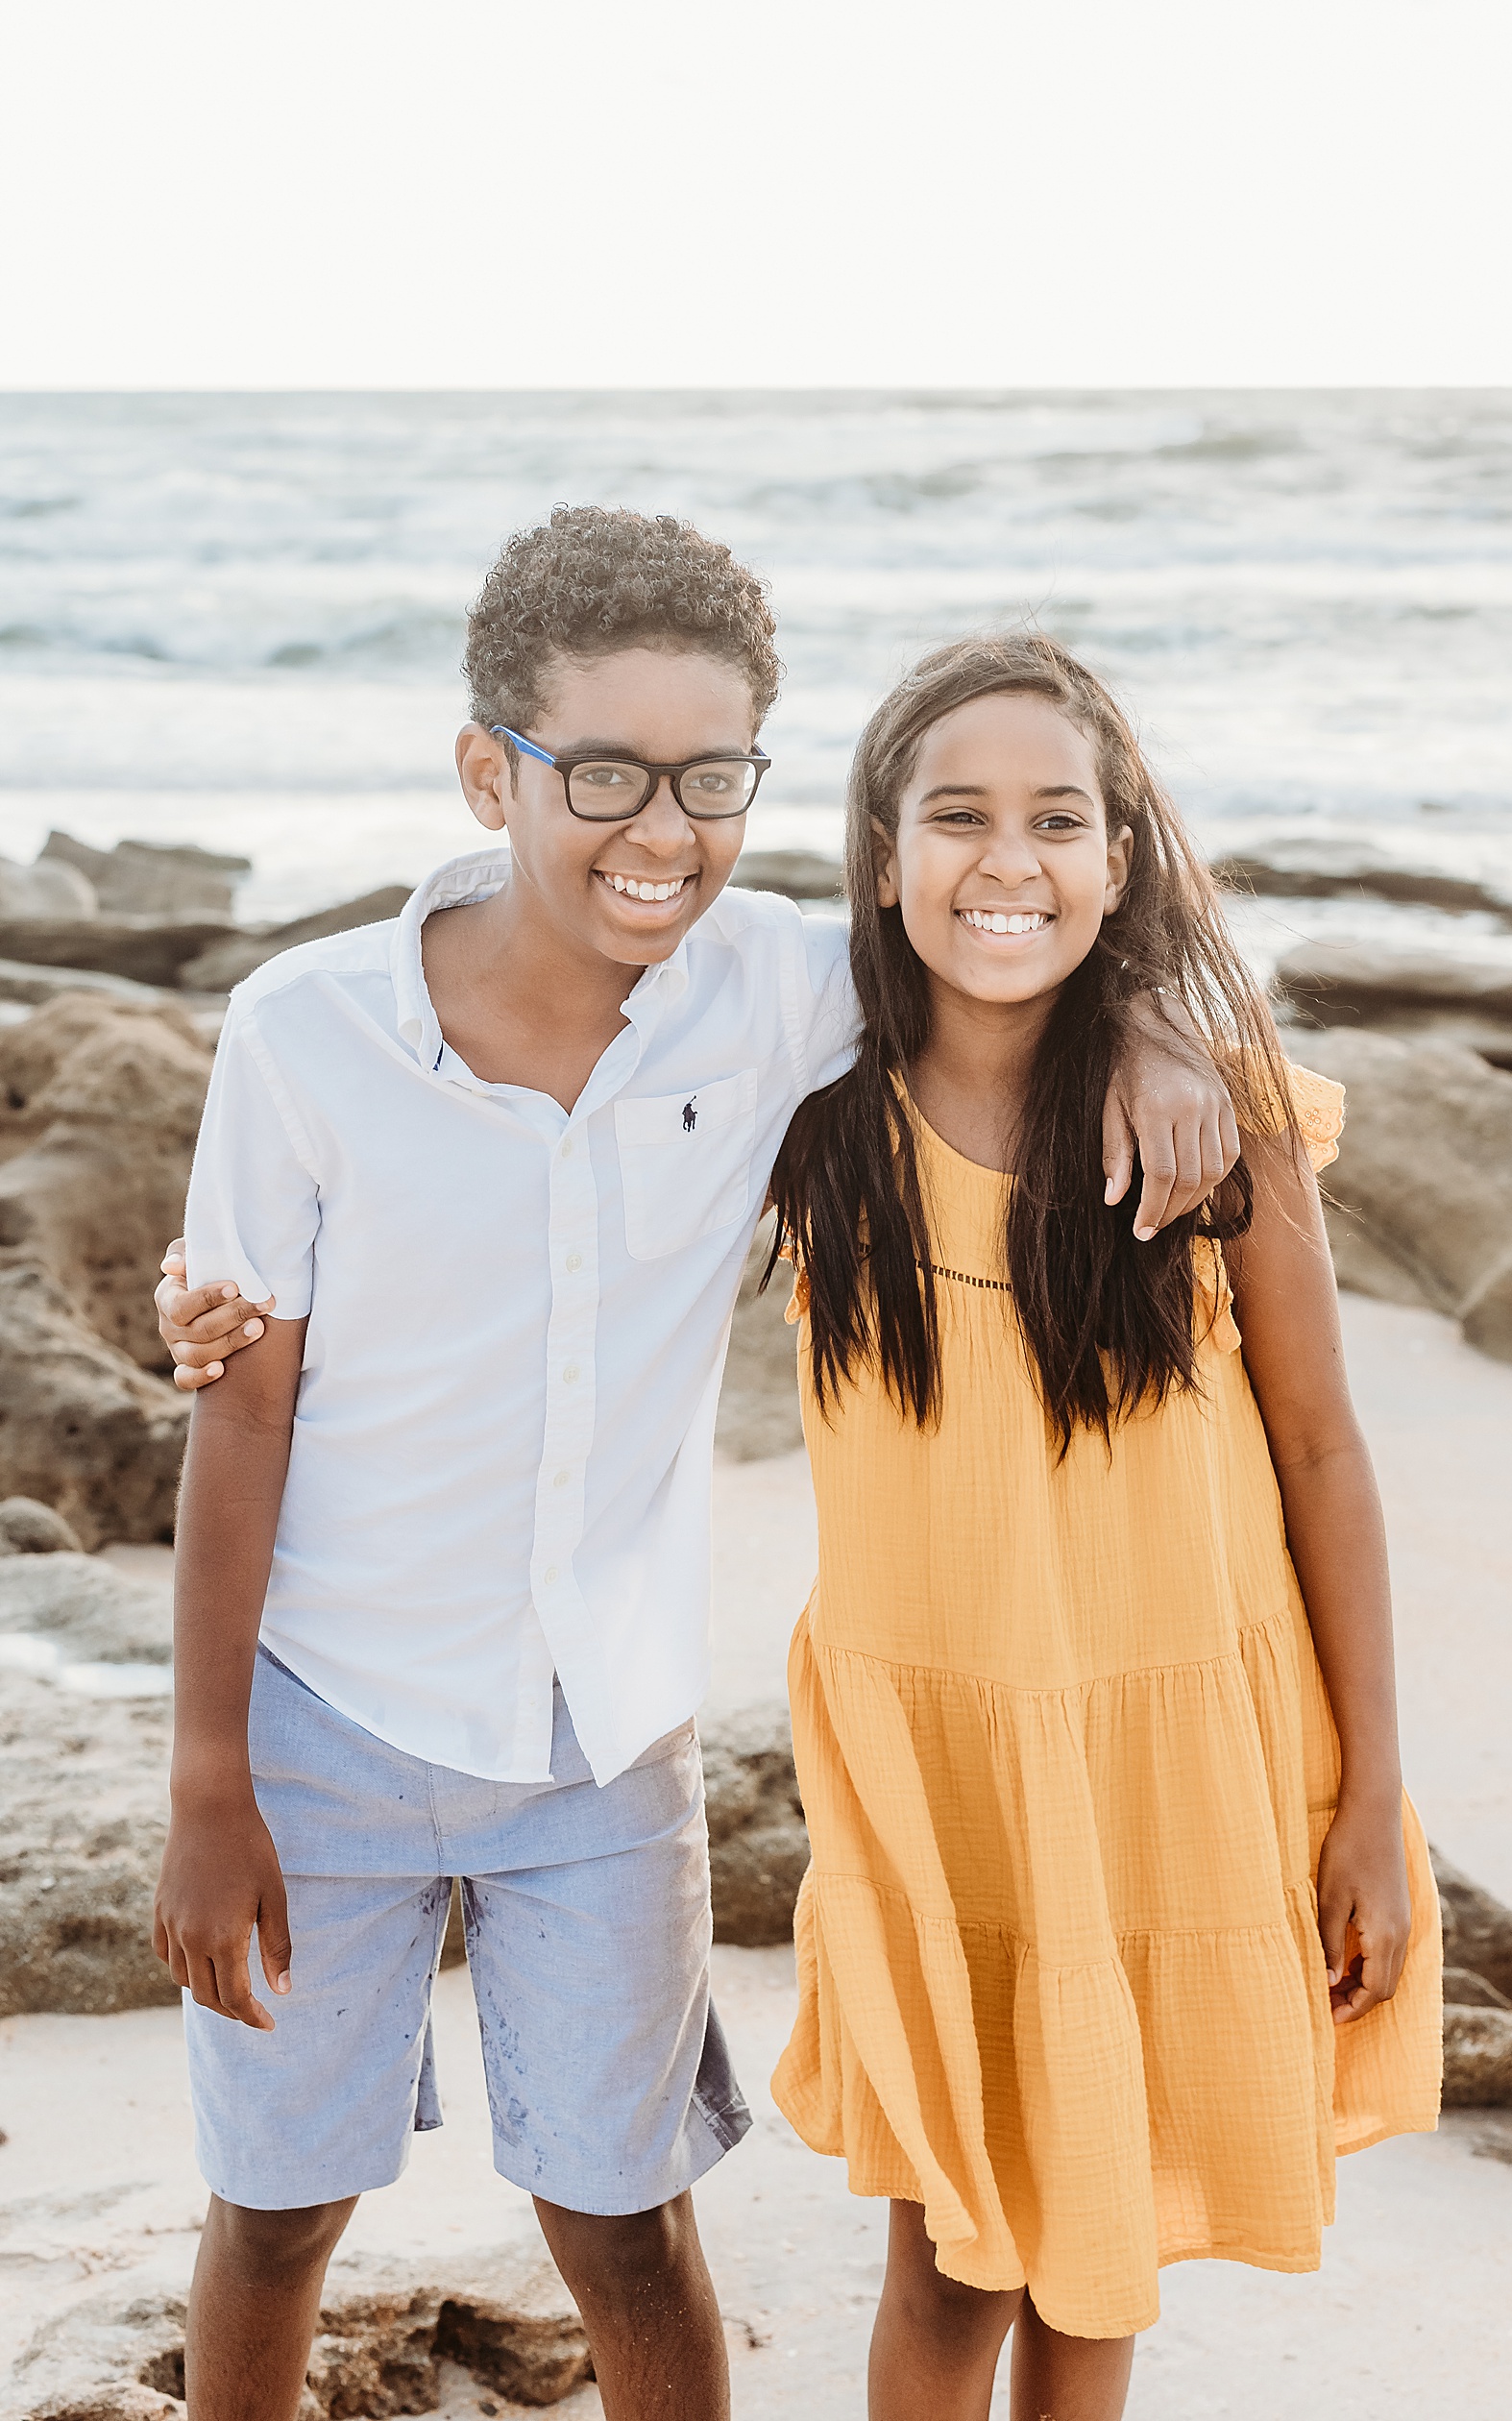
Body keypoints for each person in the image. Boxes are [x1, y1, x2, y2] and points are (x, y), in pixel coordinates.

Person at [153, 510, 1239, 2421]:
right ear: (490, 771)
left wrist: (1158, 1020)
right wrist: (208, 1783)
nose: (662, 830)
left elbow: (1004, 935)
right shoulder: (303, 1038)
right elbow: (242, 1406)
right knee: (277, 2213)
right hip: (323, 1723)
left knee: (631, 2227)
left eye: (711, 776)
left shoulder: (779, 993)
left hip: (604, 1747)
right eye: (603, 774)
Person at [762, 635, 1442, 2420]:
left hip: (1175, 1756)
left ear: (1118, 861)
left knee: (1105, 2236)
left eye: (1059, 820)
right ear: (883, 847)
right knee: (942, 2255)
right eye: (959, 816)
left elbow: (1324, 1456)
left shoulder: (1220, 1133)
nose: (1010, 861)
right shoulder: (807, 1123)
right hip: (942, 1773)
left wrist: (1371, 1795)